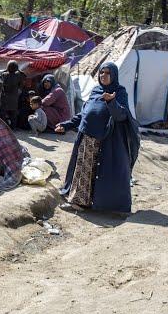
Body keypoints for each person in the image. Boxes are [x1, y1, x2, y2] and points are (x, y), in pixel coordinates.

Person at [55, 62, 140, 214]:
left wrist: (111, 102)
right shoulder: (96, 90)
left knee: (102, 173)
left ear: (113, 75)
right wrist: (67, 125)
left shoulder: (119, 92)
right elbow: (84, 113)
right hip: (86, 136)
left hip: (106, 140)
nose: (103, 75)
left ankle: (101, 204)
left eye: (107, 73)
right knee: (83, 170)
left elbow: (121, 115)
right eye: (101, 72)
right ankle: (79, 202)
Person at [0, 60, 25, 129]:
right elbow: (23, 77)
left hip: (4, 97)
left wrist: (6, 70)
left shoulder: (4, 75)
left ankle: (3, 127)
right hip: (14, 97)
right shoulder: (18, 75)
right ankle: (13, 127)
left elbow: (1, 75)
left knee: (3, 113)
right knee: (13, 113)